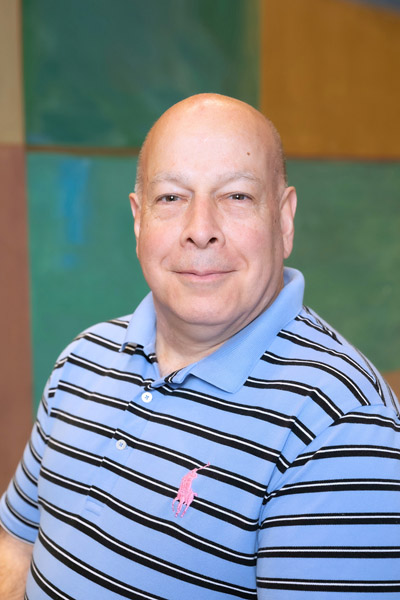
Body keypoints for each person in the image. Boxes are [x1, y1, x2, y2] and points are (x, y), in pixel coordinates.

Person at [1, 93, 399, 599]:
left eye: (236, 197)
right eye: (171, 198)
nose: (201, 230)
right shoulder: (83, 358)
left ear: (283, 219)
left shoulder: (341, 425)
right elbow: (17, 544)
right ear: (139, 219)